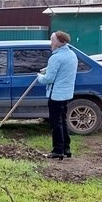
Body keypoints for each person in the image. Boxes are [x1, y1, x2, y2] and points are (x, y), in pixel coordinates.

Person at [37, 30, 78, 160]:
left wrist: (39, 77)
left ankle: (58, 150)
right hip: (66, 94)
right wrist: (47, 69)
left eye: (52, 40)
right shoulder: (72, 55)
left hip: (56, 95)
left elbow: (48, 79)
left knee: (56, 123)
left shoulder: (56, 58)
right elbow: (62, 70)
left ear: (59, 42)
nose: (51, 43)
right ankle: (66, 149)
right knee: (63, 121)